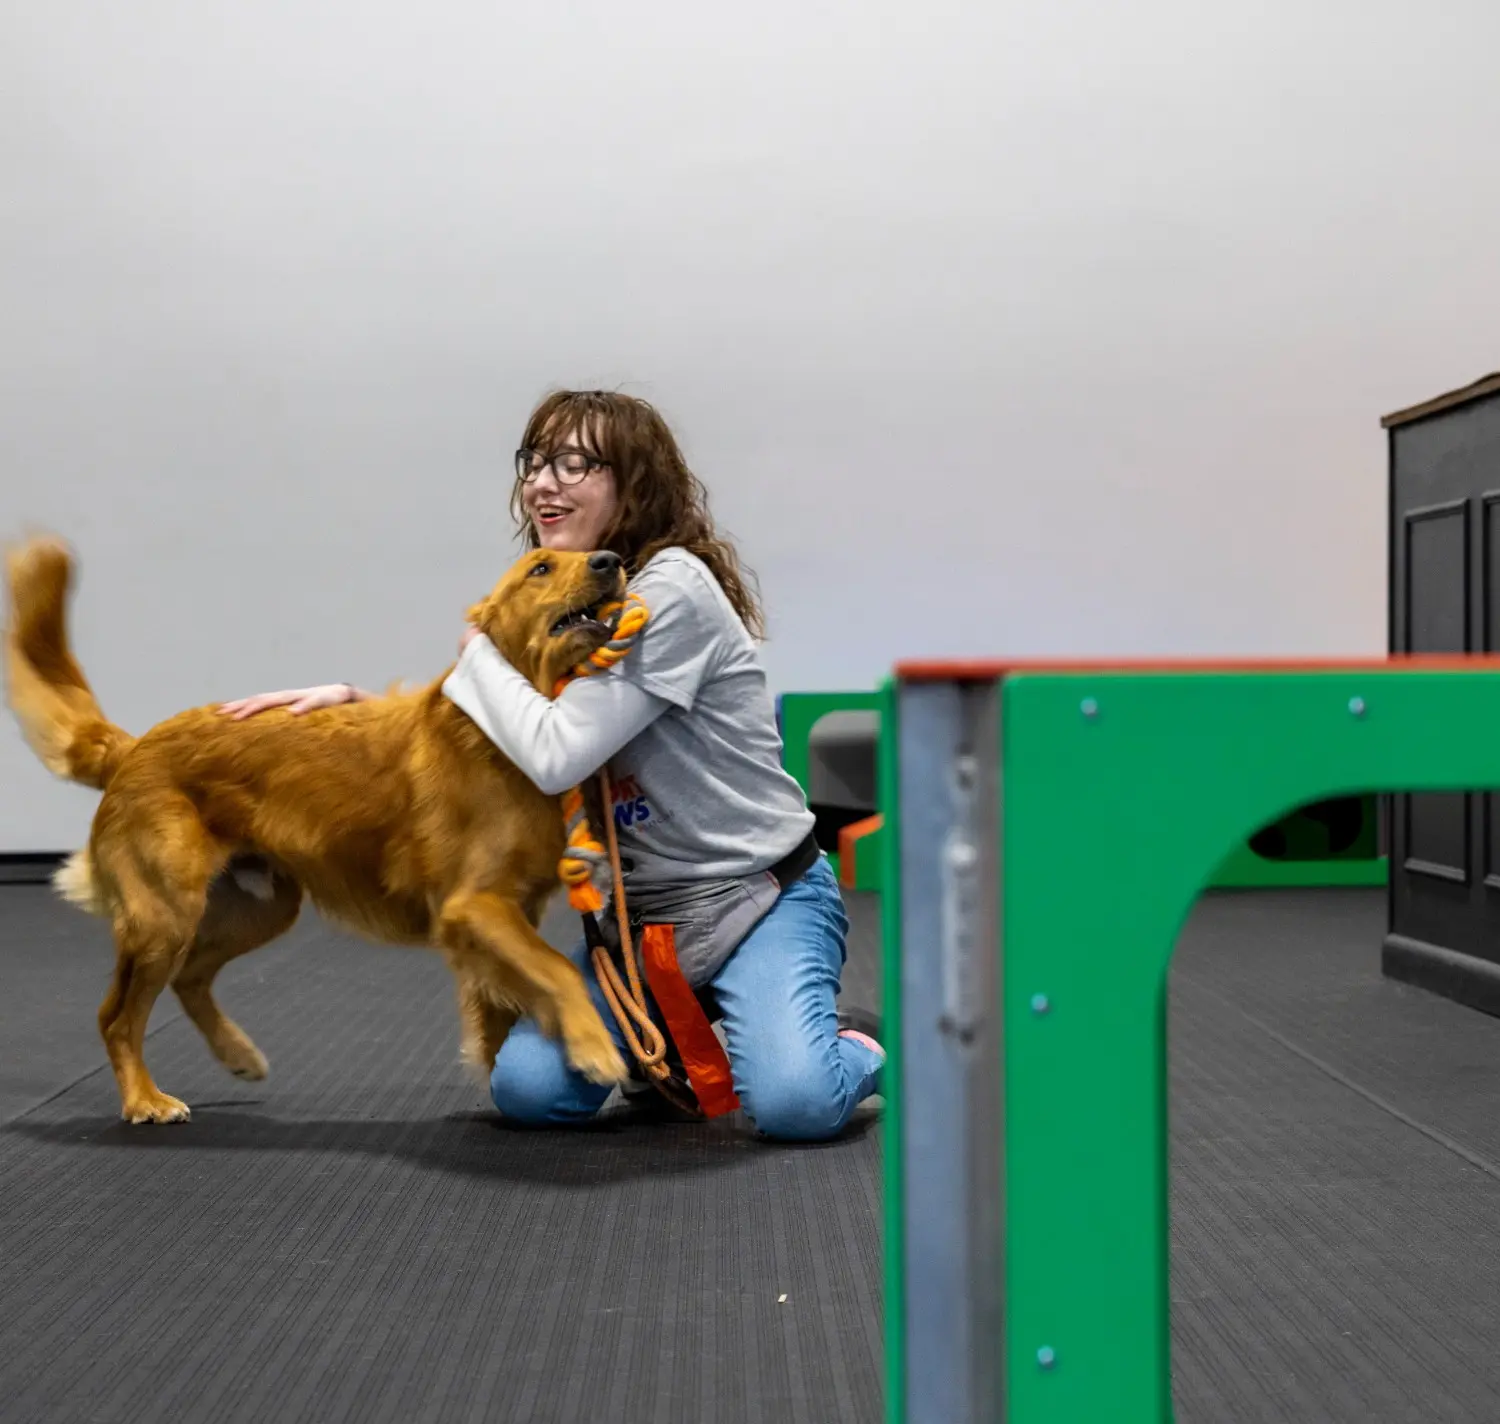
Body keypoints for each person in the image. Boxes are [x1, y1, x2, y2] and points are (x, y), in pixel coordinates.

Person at [218, 389, 884, 1141]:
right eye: (535, 461)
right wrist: (354, 711)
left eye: (576, 463)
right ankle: (685, 1030)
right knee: (530, 1092)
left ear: (634, 484)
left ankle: (856, 1043)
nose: (544, 482)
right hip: (638, 928)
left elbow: (556, 748)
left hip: (760, 896)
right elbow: (491, 749)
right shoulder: (566, 599)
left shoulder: (669, 591)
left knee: (795, 1101)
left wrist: (475, 652)